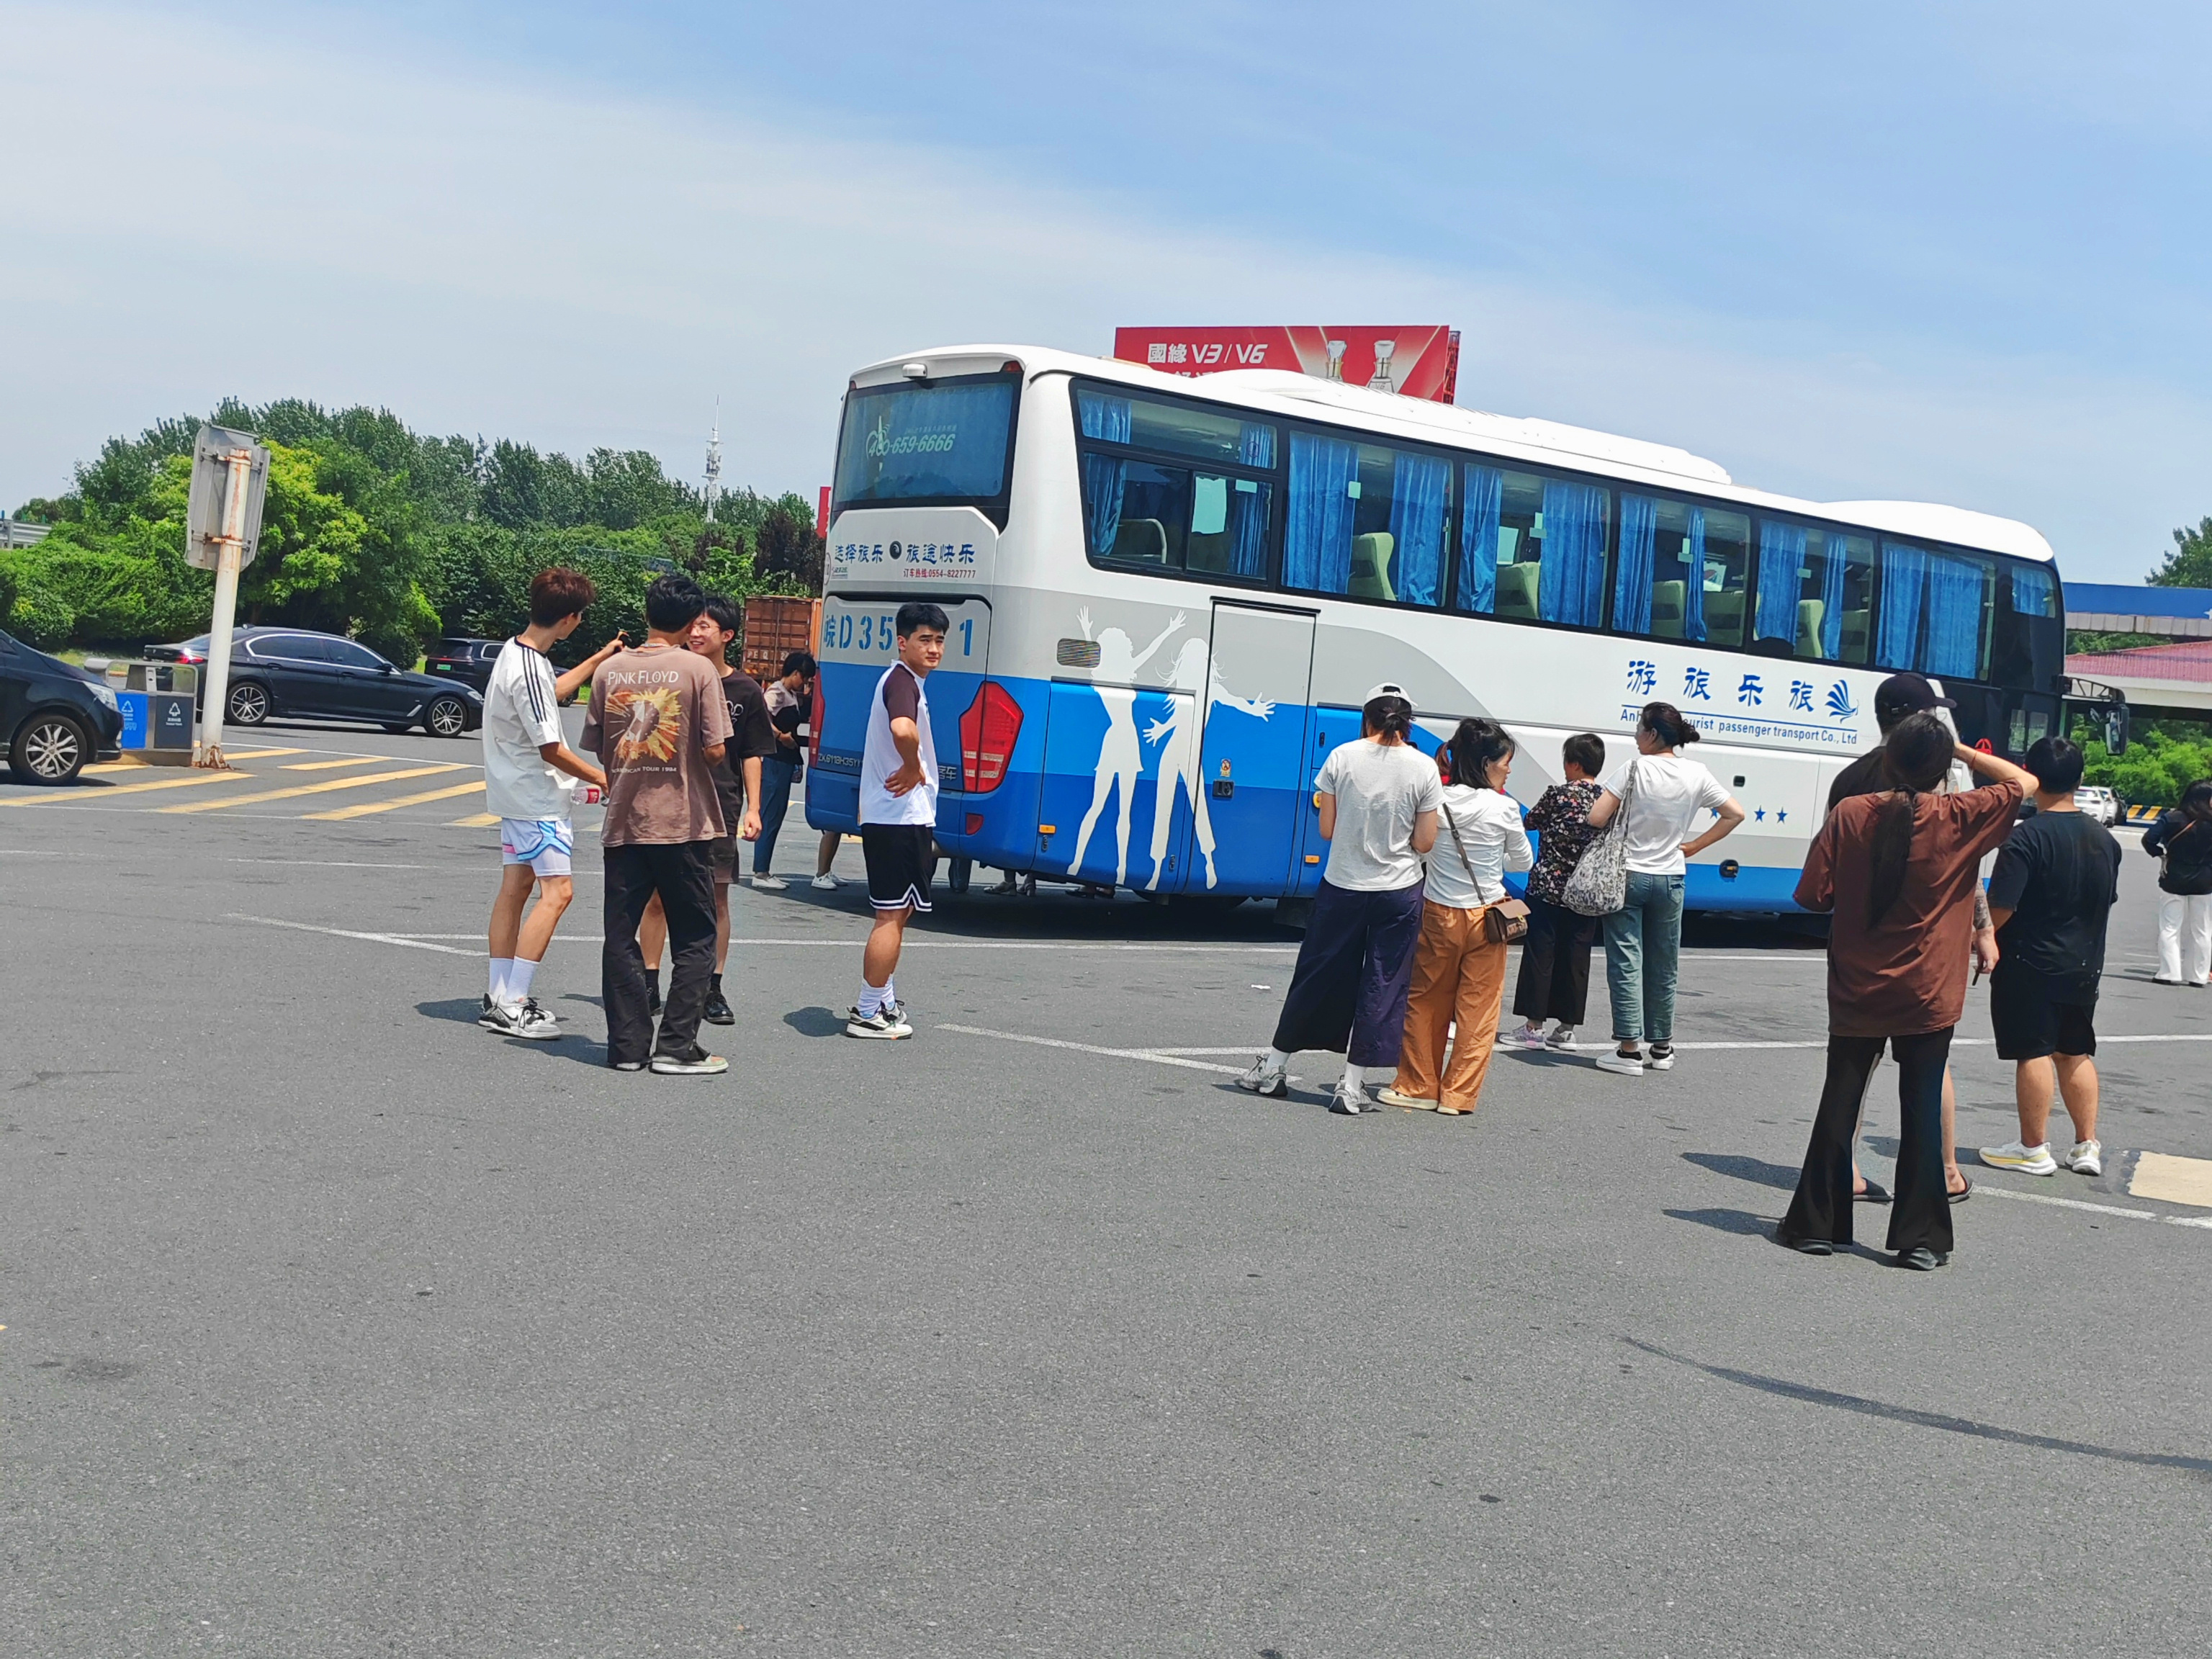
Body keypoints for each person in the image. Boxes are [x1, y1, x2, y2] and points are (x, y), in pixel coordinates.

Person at [1776, 715, 2033, 1269]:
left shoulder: (1850, 813)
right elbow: (2022, 783)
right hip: (1929, 988)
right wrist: (1960, 748)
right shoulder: (1961, 816)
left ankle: (1816, 1225)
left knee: (1839, 1102)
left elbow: (1813, 896)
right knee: (1920, 1108)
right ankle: (1921, 1239)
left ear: (1888, 761)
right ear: (1944, 767)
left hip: (1856, 984)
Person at [1825, 670, 1992, 1203]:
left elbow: (1823, 880)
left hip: (1858, 953)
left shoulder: (1848, 783)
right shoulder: (1939, 785)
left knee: (1853, 1071)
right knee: (1928, 1066)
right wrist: (1983, 929)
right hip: (1925, 954)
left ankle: (1842, 1170)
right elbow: (1963, 867)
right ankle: (1943, 1170)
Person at [1236, 685, 1442, 1115]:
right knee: (1383, 983)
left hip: (1343, 885)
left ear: (1367, 718)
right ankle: (1351, 1086)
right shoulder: (1424, 767)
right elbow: (1425, 842)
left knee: (1317, 974)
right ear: (1407, 723)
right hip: (1398, 890)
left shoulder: (1341, 757)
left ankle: (1274, 1068)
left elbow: (1327, 830)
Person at [583, 573, 734, 1075]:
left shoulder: (609, 671)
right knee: (695, 936)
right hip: (683, 823)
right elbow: (715, 749)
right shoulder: (697, 670)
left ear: (647, 613)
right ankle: (675, 1046)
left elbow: (601, 744)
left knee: (621, 936)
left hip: (625, 821)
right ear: (693, 622)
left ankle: (626, 1048)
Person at [477, 567, 624, 1039]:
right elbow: (551, 748)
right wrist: (605, 777)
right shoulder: (528, 667)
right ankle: (514, 1003)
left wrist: (600, 658)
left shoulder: (516, 653)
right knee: (558, 893)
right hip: (536, 801)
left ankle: (499, 995)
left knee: (516, 890)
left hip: (514, 796)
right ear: (571, 619)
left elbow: (554, 693)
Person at [1977, 737, 2121, 1179]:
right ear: (2080, 779)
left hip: (2030, 961)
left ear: (2032, 776)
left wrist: (1979, 936)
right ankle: (2086, 1145)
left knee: (2033, 1051)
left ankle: (2033, 1147)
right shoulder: (2105, 840)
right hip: (2085, 963)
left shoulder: (2026, 839)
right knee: (2074, 1051)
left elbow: (2001, 907)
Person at [1378, 718, 1532, 1115]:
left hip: (1438, 913)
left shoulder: (1439, 801)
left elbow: (1421, 848)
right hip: (1489, 919)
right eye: (1504, 763)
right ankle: (1459, 1096)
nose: (1508, 770)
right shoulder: (1505, 807)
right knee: (1478, 1010)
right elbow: (1523, 861)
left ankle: (1418, 1085)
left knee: (1426, 1001)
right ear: (1485, 764)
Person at [636, 595, 778, 1025]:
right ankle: (648, 982)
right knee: (657, 898)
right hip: (667, 802)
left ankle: (712, 989)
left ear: (727, 636)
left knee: (716, 899)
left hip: (719, 806)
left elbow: (753, 753)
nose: (696, 633)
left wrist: (754, 808)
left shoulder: (745, 690)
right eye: (693, 625)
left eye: (706, 627)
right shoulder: (670, 676)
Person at [1584, 703, 1746, 1076]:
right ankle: (1662, 1047)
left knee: (1626, 959)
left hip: (1627, 874)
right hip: (1672, 875)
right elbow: (1735, 813)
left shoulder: (1633, 768)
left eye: (1640, 728)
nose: (1636, 735)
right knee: (1664, 961)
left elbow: (1596, 818)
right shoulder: (1697, 773)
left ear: (1653, 734)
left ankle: (1628, 1051)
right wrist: (1693, 847)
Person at [848, 602, 948, 1039]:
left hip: (895, 815)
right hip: (899, 816)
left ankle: (883, 998)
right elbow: (903, 730)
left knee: (899, 910)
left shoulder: (904, 681)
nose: (934, 648)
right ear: (902, 642)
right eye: (924, 640)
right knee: (891, 914)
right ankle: (869, 1009)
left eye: (940, 640)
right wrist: (912, 766)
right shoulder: (902, 681)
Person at [1503, 733, 1606, 1051]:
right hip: (1586, 890)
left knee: (1541, 953)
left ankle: (1534, 1027)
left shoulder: (1559, 795)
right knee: (1577, 956)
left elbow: (1529, 821)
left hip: (1548, 886)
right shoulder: (1607, 799)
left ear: (1574, 764)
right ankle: (1567, 1028)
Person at [753, 650, 817, 890]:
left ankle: (764, 868)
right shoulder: (777, 692)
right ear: (797, 673)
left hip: (786, 760)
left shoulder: (790, 694)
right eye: (805, 678)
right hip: (775, 759)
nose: (805, 683)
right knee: (770, 814)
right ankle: (760, 872)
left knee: (777, 814)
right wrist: (780, 736)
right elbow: (760, 717)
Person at [2144, 778, 2212, 986]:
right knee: (2202, 930)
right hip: (2204, 881)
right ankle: (2198, 975)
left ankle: (2169, 972)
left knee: (2170, 926)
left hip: (2174, 878)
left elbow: (2148, 839)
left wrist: (2161, 854)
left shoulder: (2172, 818)